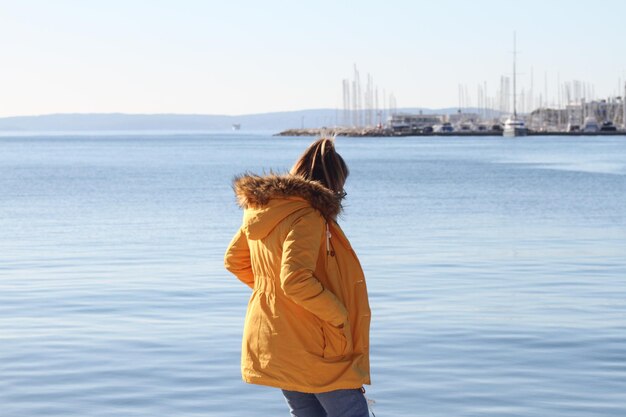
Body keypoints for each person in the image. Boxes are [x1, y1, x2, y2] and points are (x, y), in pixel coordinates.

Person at [224, 138, 371, 417]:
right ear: (330, 185)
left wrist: (276, 297)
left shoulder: (261, 210)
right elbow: (294, 280)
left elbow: (235, 261)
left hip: (276, 337)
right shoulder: (307, 216)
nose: (341, 196)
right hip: (315, 342)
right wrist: (337, 315)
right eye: (341, 191)